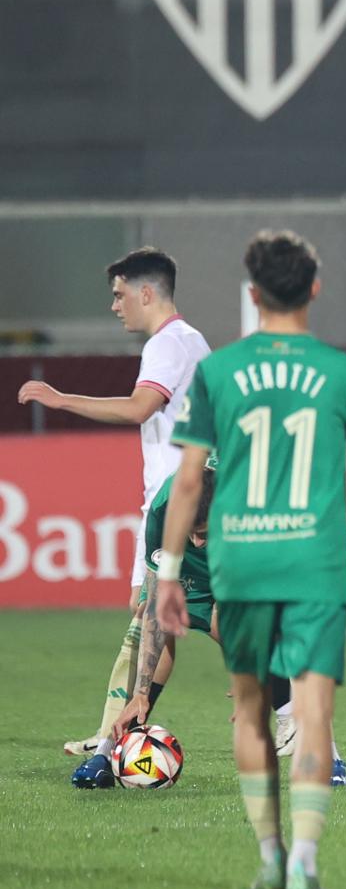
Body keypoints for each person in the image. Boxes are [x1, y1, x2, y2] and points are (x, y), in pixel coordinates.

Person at [158, 230, 346, 889]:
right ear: (315, 289)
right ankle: (305, 864)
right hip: (316, 564)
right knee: (314, 713)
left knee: (251, 713)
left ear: (253, 293)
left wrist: (171, 571)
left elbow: (185, 484)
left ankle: (269, 853)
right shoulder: (344, 373)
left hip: (240, 562)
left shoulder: (218, 373)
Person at [17, 247, 211, 757]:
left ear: (147, 293)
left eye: (120, 294)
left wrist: (61, 400)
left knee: (173, 613)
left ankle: (113, 740)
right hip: (175, 503)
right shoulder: (187, 342)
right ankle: (115, 733)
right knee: (156, 618)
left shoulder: (169, 344)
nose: (115, 305)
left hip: (182, 508)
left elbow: (139, 407)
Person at [70, 462, 220, 788]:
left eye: (203, 532)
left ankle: (323, 753)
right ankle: (108, 753)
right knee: (145, 617)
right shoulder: (164, 508)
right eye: (191, 531)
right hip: (187, 539)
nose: (196, 541)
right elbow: (156, 606)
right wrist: (140, 693)